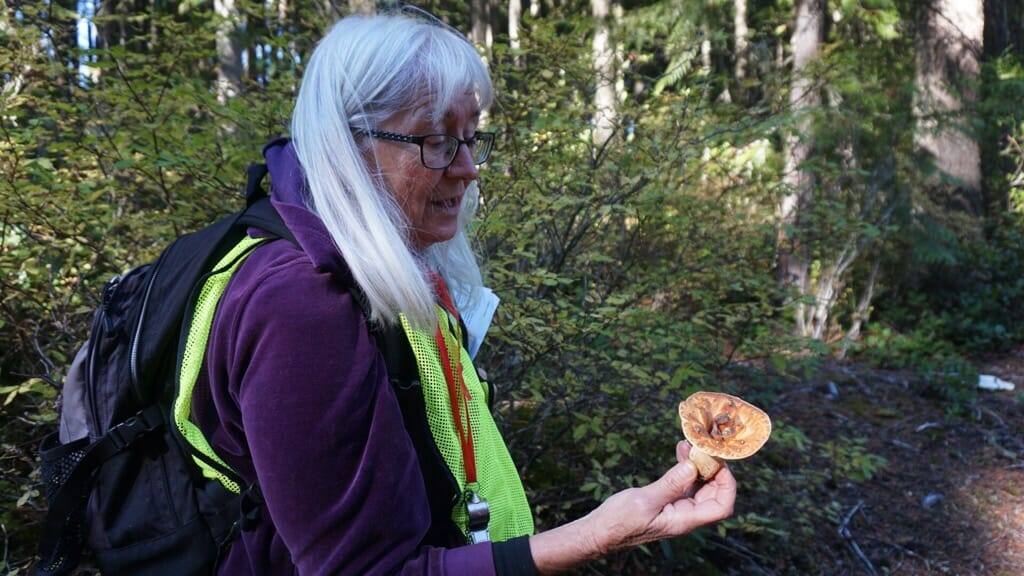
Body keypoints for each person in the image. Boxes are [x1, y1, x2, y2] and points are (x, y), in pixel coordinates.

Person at [191, 6, 737, 575]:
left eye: (472, 138)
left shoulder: (372, 270)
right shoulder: (300, 307)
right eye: (436, 140)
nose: (469, 168)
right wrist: (594, 536)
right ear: (349, 144)